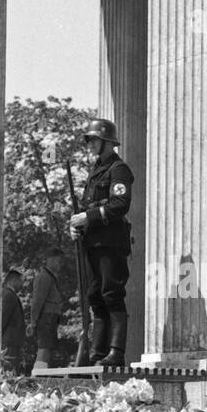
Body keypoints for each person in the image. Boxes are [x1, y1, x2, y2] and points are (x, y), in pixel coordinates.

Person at [69, 118, 133, 368]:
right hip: (93, 242)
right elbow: (87, 207)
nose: (91, 144)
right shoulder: (95, 172)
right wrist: (77, 225)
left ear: (107, 141)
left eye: (94, 139)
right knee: (95, 297)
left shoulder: (119, 169)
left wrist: (88, 217)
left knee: (112, 295)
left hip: (111, 242)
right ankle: (97, 354)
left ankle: (116, 352)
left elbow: (120, 204)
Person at [30, 246, 65, 369]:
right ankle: (38, 375)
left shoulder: (51, 277)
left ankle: (43, 373)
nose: (60, 265)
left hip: (51, 318)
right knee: (44, 347)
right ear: (51, 260)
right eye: (59, 261)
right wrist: (33, 322)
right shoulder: (43, 277)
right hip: (46, 318)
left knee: (48, 347)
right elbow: (37, 301)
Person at [1, 267, 26, 373]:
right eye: (21, 281)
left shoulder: (9, 295)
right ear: (13, 280)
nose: (22, 285)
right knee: (9, 370)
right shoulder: (8, 295)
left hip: (12, 341)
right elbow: (3, 318)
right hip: (9, 342)